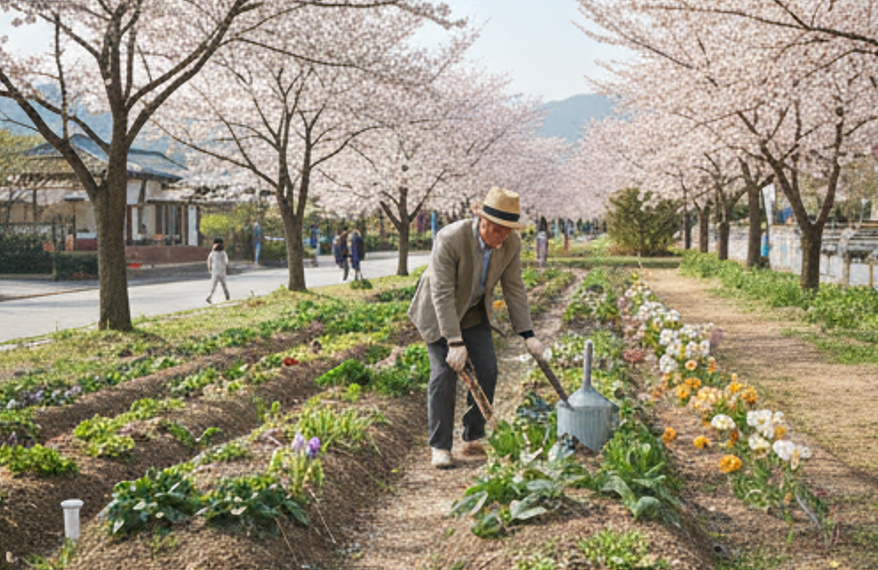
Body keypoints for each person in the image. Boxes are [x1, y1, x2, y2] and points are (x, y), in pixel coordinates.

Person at [408, 187, 546, 469]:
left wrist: (528, 333)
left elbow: (514, 288)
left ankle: (473, 435)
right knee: (444, 373)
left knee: (487, 369)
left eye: (508, 231)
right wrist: (454, 341)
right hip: (438, 314)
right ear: (483, 222)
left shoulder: (510, 244)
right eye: (498, 230)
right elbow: (442, 293)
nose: (503, 237)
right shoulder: (450, 238)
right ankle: (440, 446)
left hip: (473, 312)